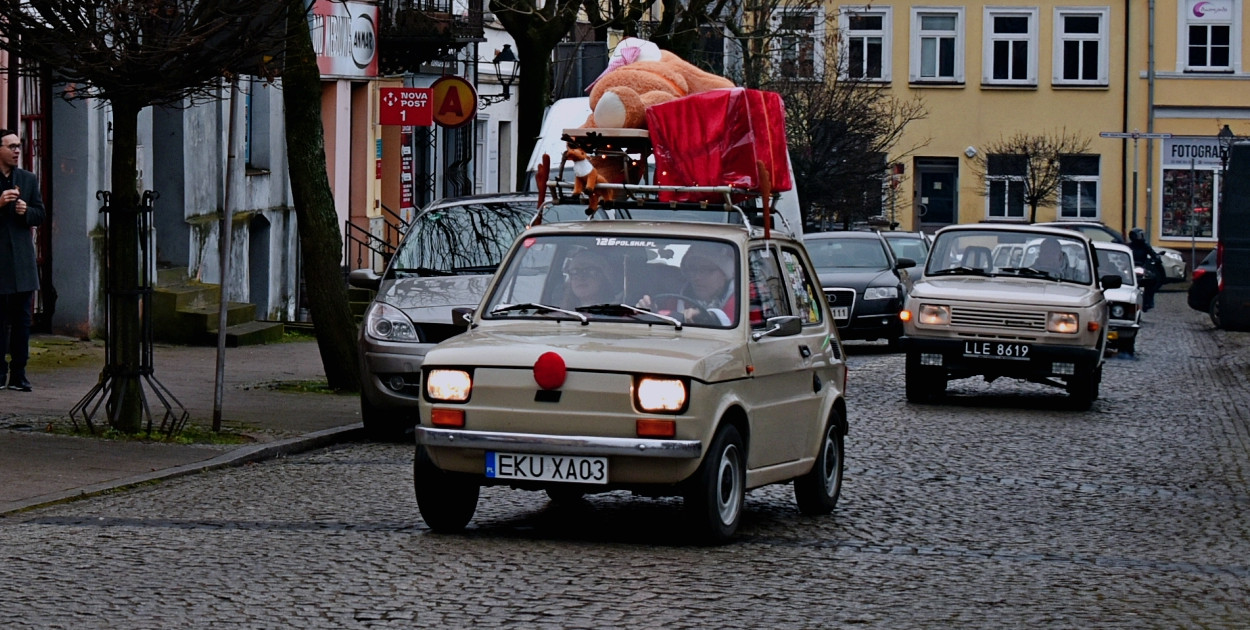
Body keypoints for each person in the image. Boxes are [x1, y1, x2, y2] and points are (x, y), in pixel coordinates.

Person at [0, 129, 45, 392]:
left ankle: (19, 373)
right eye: (11, 146)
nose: (17, 150)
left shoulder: (27, 179)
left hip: (22, 261)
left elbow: (41, 213)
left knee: (22, 320)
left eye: (19, 146)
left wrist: (26, 210)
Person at [637, 241, 736, 326]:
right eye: (693, 269)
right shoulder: (674, 301)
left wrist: (709, 317)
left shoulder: (741, 301)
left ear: (724, 274)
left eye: (705, 270)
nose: (696, 277)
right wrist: (646, 311)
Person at [1128, 227, 1165, 311]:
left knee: (1152, 280)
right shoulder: (1129, 246)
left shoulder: (1145, 245)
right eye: (1139, 235)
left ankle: (1149, 301)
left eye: (1142, 235)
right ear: (1133, 236)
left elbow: (1152, 253)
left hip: (1142, 267)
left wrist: (1156, 258)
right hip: (1130, 268)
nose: (1141, 237)